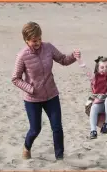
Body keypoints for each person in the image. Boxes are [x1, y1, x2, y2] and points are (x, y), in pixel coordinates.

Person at [11, 21, 81, 160]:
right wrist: (30, 89)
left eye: (39, 39)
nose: (38, 43)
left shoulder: (48, 48)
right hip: (33, 99)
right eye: (34, 40)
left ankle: (59, 158)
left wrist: (73, 56)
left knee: (57, 127)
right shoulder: (22, 56)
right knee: (35, 129)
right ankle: (27, 147)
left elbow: (63, 60)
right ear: (26, 40)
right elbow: (15, 78)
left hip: (51, 95)